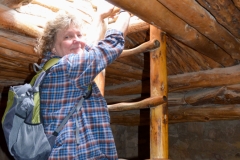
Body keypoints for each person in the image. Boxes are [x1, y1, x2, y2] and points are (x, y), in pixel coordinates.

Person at [37, 1, 131, 159]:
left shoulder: (51, 68)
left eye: (79, 35)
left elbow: (88, 47)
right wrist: (126, 10)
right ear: (52, 47)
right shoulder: (68, 67)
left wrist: (100, 16)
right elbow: (110, 45)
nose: (77, 40)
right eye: (67, 36)